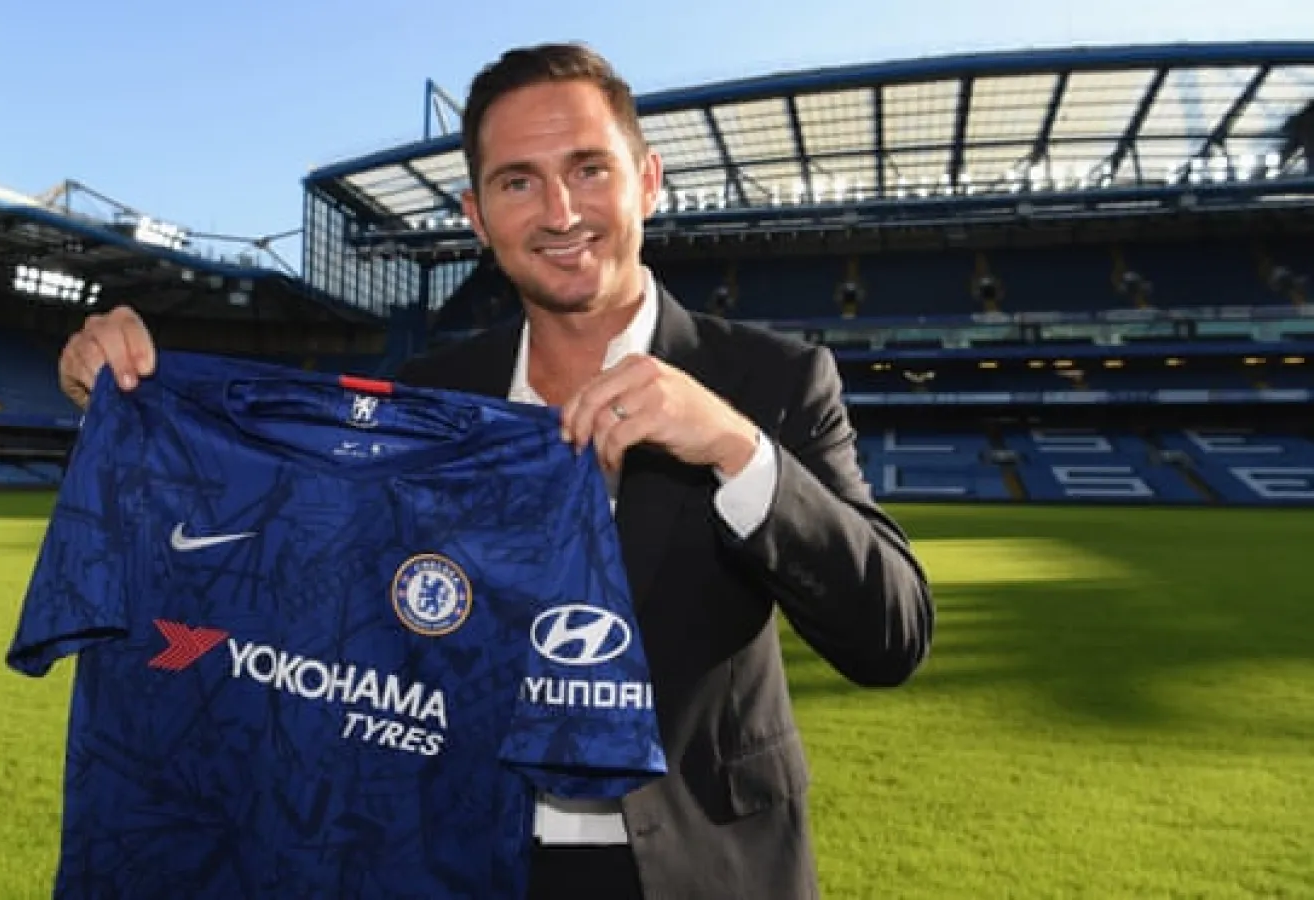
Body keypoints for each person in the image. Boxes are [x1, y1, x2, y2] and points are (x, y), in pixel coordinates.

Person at [57, 42, 933, 900]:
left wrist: (739, 453)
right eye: (518, 181)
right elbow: (289, 579)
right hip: (456, 857)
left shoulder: (770, 379)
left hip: (699, 868)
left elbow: (891, 635)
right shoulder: (425, 397)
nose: (559, 211)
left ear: (649, 181)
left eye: (590, 169)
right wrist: (134, 402)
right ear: (477, 217)